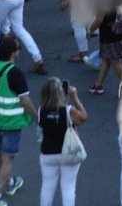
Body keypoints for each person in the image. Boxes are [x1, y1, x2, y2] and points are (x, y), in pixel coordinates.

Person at [0, 37, 36, 206]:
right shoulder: (14, 72)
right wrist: (36, 117)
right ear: (13, 53)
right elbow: (25, 100)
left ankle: (10, 182)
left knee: (1, 153)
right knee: (8, 158)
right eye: (18, 48)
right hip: (11, 121)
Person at [34, 77, 88, 206]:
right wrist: (75, 98)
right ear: (61, 93)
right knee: (68, 188)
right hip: (68, 152)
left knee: (47, 187)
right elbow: (84, 118)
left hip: (47, 153)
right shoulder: (69, 111)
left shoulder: (41, 110)